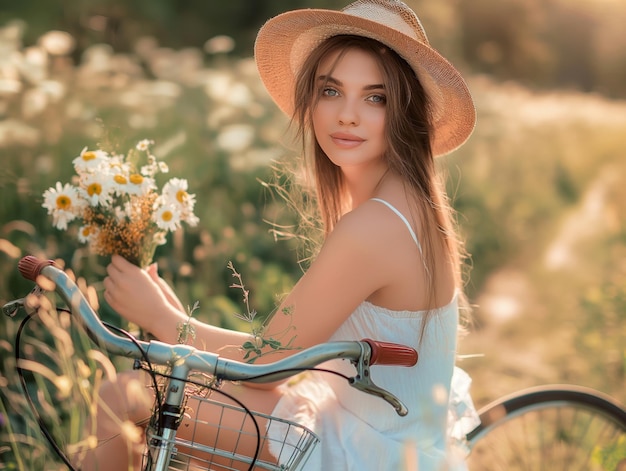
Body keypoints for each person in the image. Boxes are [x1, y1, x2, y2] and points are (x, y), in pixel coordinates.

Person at [86, 0, 480, 469]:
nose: (347, 115)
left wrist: (160, 317)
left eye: (376, 98)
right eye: (331, 91)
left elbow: (261, 369)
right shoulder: (406, 202)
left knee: (123, 395)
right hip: (367, 427)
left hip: (362, 451)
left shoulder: (376, 225)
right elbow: (276, 363)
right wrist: (173, 317)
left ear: (405, 114)